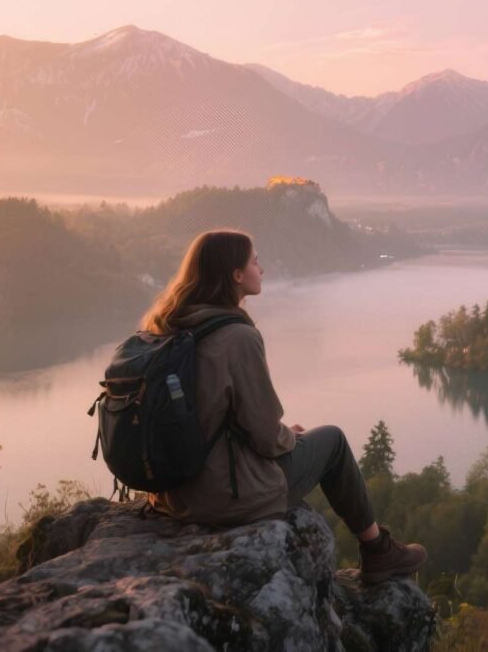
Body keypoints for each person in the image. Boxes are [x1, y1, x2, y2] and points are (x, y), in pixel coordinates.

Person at [142, 229, 425, 584]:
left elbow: (209, 417)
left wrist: (274, 434)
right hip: (222, 498)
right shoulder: (238, 337)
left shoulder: (165, 326)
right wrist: (287, 438)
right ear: (236, 275)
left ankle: (378, 549)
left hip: (170, 494)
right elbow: (264, 436)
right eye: (255, 261)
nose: (263, 269)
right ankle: (378, 550)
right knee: (332, 441)